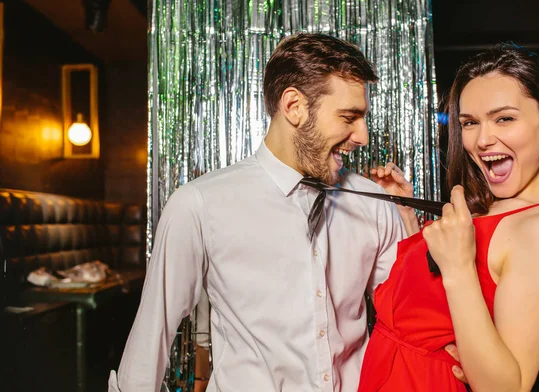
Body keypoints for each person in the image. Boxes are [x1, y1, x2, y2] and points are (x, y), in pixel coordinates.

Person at [109, 32, 425, 392]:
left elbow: (412, 321)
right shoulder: (199, 204)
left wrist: (409, 224)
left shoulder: (373, 201)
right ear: (294, 106)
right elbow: (151, 341)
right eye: (349, 117)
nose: (363, 136)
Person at [358, 42, 539, 391]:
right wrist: (408, 215)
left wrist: (458, 269)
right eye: (470, 123)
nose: (483, 139)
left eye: (505, 118)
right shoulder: (491, 207)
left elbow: (505, 388)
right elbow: (427, 312)